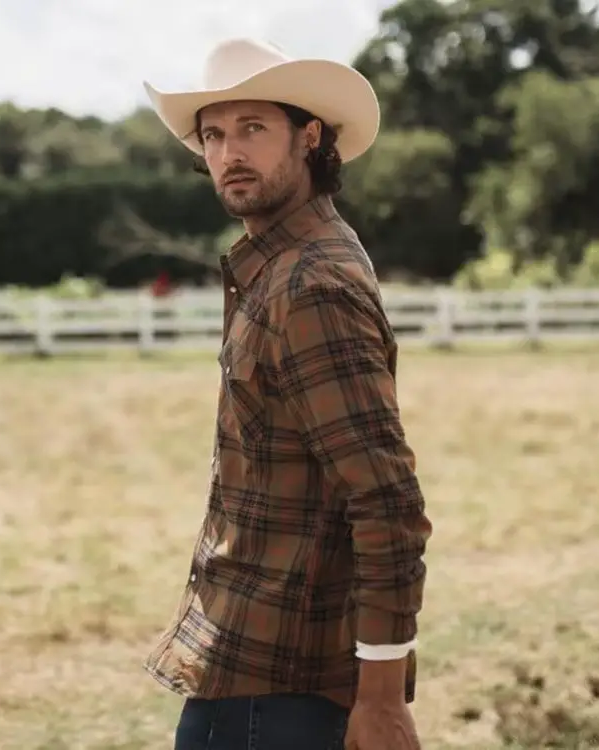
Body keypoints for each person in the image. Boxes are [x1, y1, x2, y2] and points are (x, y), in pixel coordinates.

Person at [142, 38, 433, 750]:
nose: (229, 152)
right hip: (256, 660)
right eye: (213, 134)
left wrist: (383, 699)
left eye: (252, 129)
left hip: (277, 689)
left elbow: (386, 500)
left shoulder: (309, 284)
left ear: (310, 138)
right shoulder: (284, 263)